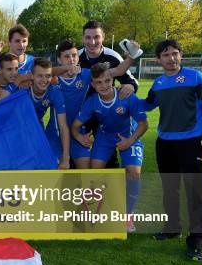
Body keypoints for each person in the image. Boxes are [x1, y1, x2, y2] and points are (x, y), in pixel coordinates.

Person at [142, 39, 202, 261]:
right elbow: (147, 105)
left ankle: (196, 241)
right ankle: (172, 228)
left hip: (191, 141)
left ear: (181, 56)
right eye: (166, 55)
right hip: (165, 143)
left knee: (194, 192)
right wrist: (122, 94)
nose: (171, 58)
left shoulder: (196, 78)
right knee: (170, 188)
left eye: (175, 54)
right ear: (158, 59)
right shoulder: (158, 84)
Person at [72, 63, 148, 231]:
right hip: (104, 136)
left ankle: (127, 215)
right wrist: (79, 136)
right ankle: (97, 211)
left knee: (134, 173)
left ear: (113, 80)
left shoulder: (126, 96)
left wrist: (129, 141)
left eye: (107, 81)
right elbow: (74, 126)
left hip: (129, 135)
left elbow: (143, 124)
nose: (104, 85)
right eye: (99, 82)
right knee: (95, 173)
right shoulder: (92, 101)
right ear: (93, 85)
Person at [51, 39, 140, 169]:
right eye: (66, 56)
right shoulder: (52, 78)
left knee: (87, 170)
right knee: (53, 171)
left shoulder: (86, 74)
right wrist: (65, 69)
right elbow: (39, 73)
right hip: (55, 131)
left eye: (74, 55)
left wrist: (131, 56)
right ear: (59, 60)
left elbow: (119, 71)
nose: (71, 59)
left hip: (78, 130)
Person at [28, 58, 70, 169]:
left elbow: (63, 126)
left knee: (54, 162)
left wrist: (66, 158)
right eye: (40, 76)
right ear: (32, 76)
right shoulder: (23, 90)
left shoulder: (55, 92)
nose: (44, 80)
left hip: (39, 127)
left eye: (48, 76)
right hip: (23, 130)